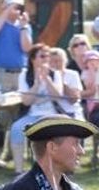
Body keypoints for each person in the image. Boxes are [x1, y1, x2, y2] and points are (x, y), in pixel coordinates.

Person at [10, 45, 64, 174]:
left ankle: (60, 168)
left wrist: (47, 79)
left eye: (48, 56)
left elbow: (58, 96)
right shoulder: (24, 75)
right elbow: (26, 101)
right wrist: (36, 84)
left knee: (63, 128)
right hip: (32, 115)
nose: (47, 59)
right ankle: (19, 171)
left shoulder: (55, 73)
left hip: (53, 114)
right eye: (42, 56)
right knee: (16, 128)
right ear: (33, 59)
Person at [0, 0, 32, 93]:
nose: (16, 10)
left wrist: (23, 27)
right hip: (0, 72)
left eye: (19, 7)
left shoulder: (25, 26)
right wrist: (7, 10)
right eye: (13, 6)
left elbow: (27, 48)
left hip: (20, 72)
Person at [49, 47, 84, 120]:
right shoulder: (44, 77)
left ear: (65, 61)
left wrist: (59, 79)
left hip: (71, 112)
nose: (55, 64)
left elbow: (74, 99)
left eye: (58, 61)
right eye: (51, 61)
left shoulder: (73, 74)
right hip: (51, 113)